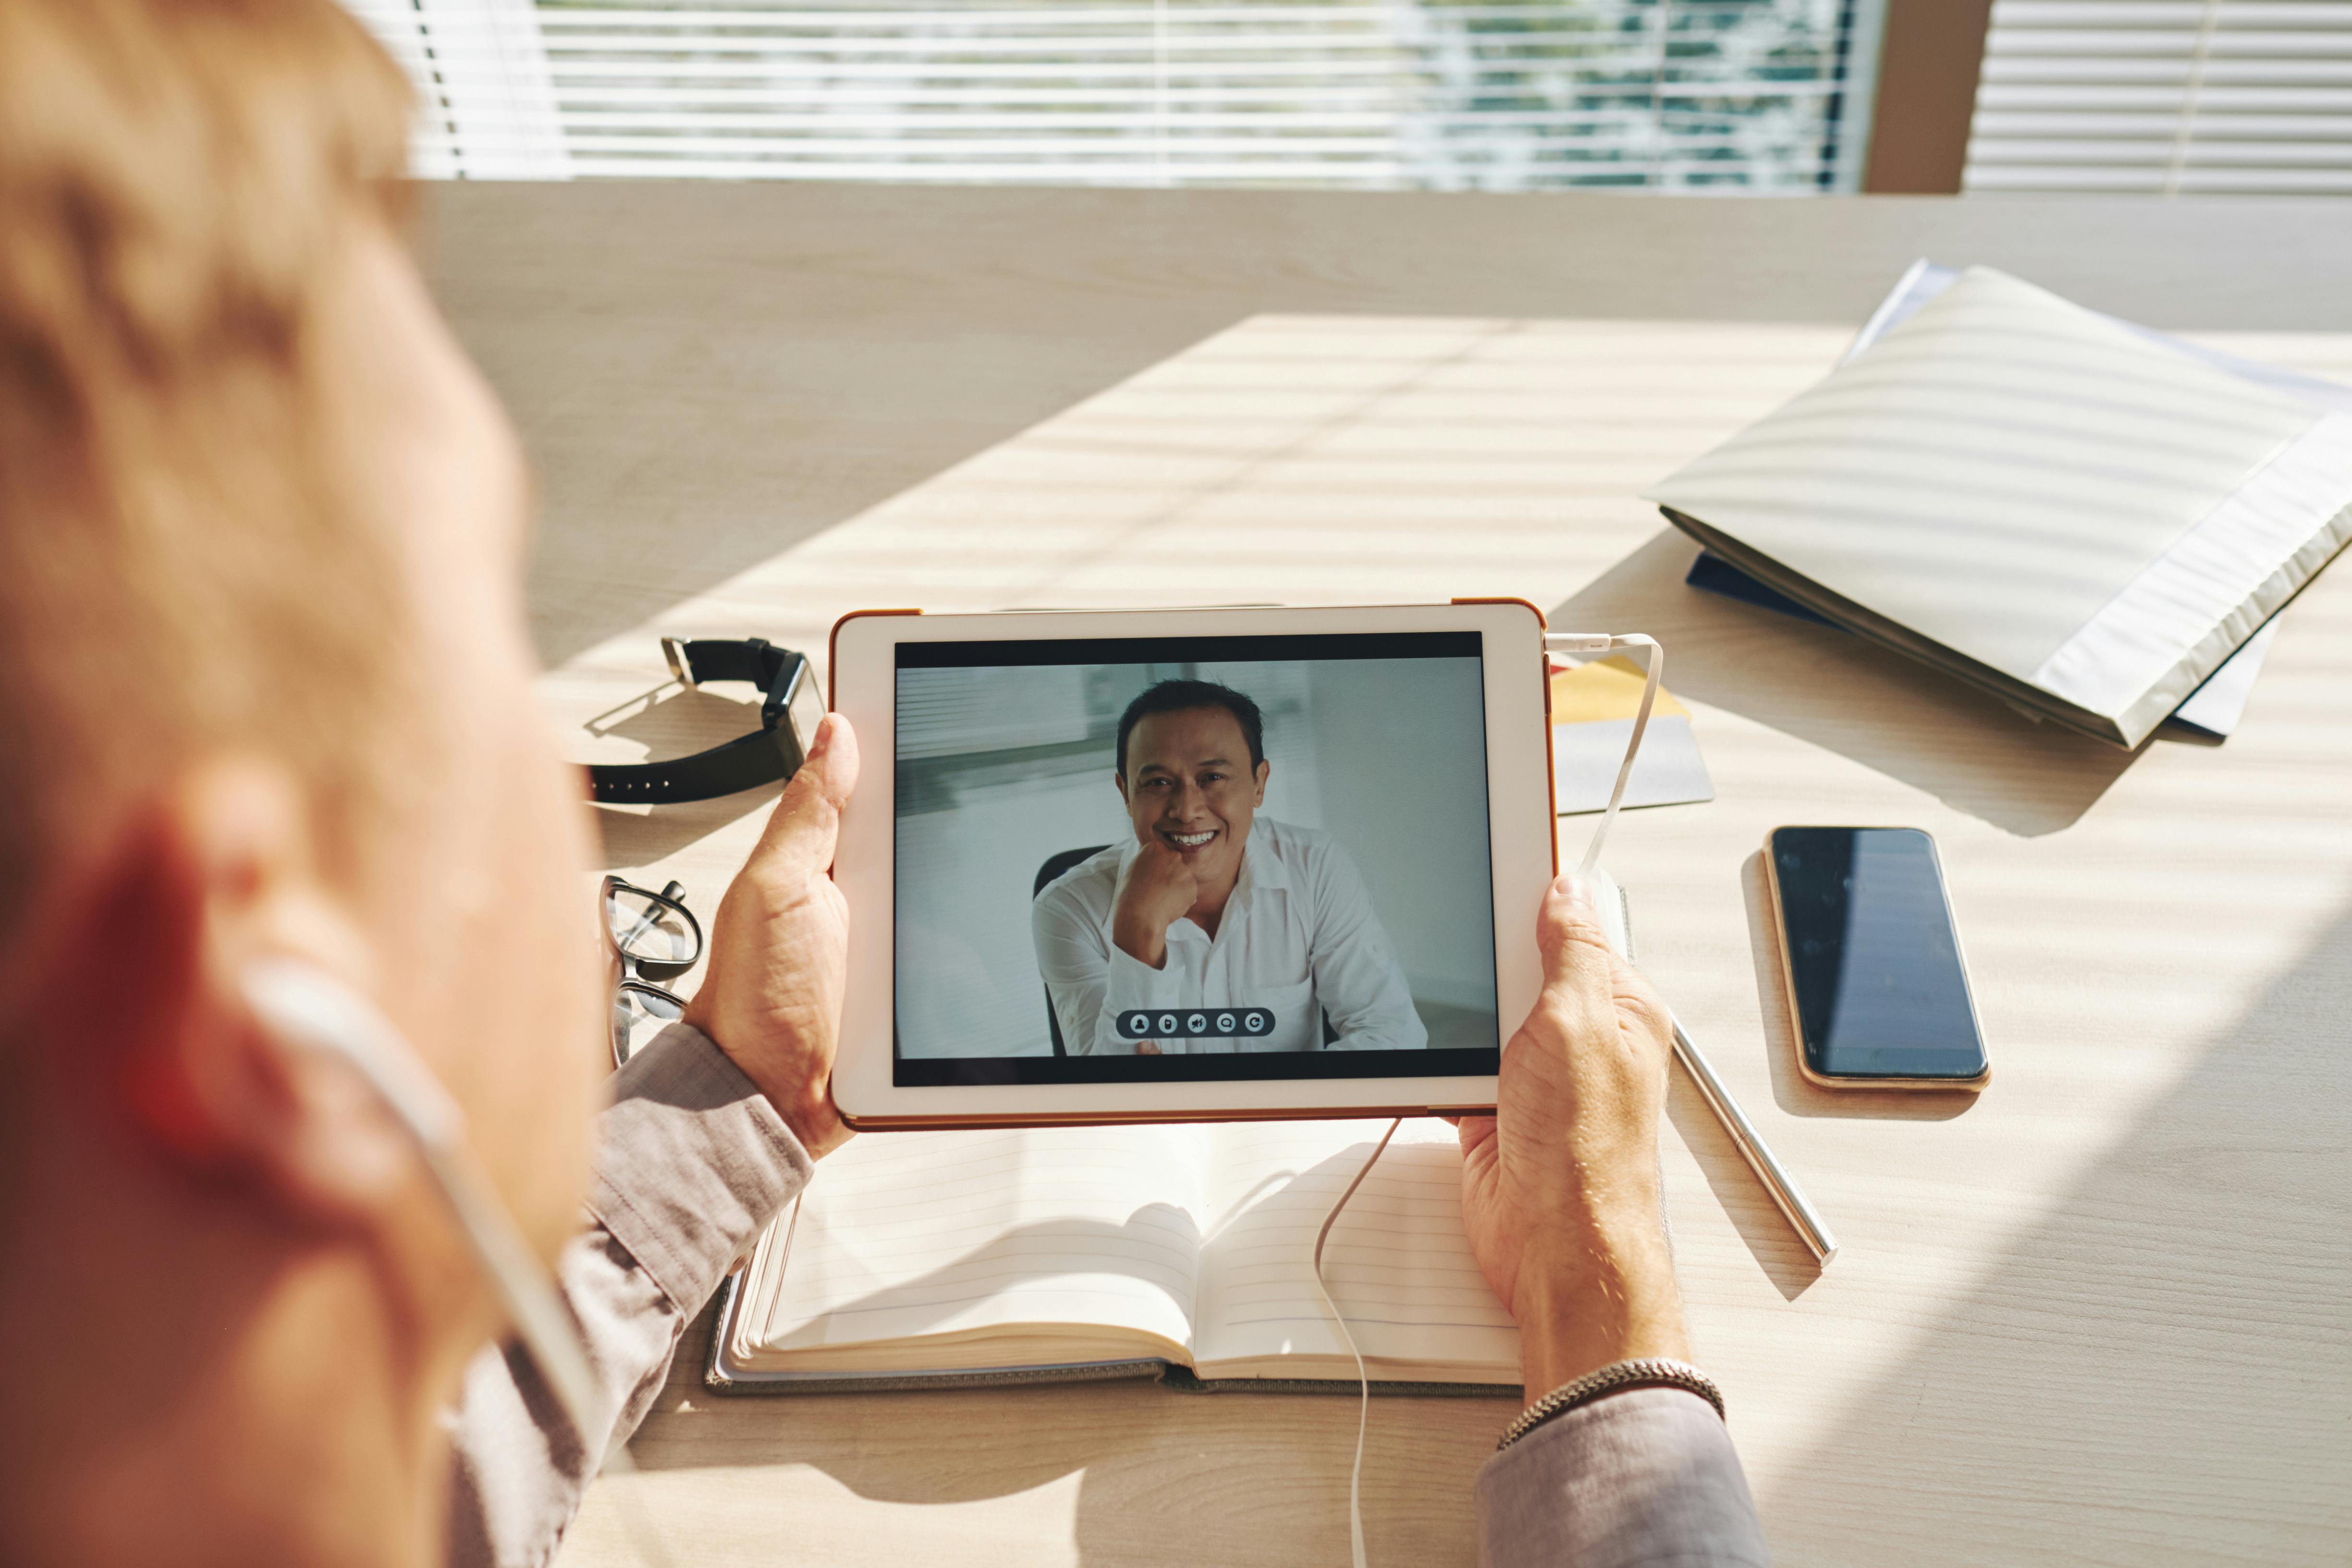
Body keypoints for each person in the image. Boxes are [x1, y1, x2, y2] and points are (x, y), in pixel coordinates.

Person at [0, 2, 1769, 1566]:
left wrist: (745, 1081)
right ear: (261, 1015)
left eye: (1216, 777)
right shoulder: (1079, 897)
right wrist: (1605, 1275)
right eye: (500, 631)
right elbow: (1108, 1033)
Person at [1031, 678, 1428, 1055]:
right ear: (1126, 794)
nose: (1187, 811)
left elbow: (1392, 1033)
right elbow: (1107, 1100)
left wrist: (1277, 1111)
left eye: (1213, 777)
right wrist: (1138, 934)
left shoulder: (1315, 867)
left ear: (1259, 784)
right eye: (1158, 783)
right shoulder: (1069, 908)